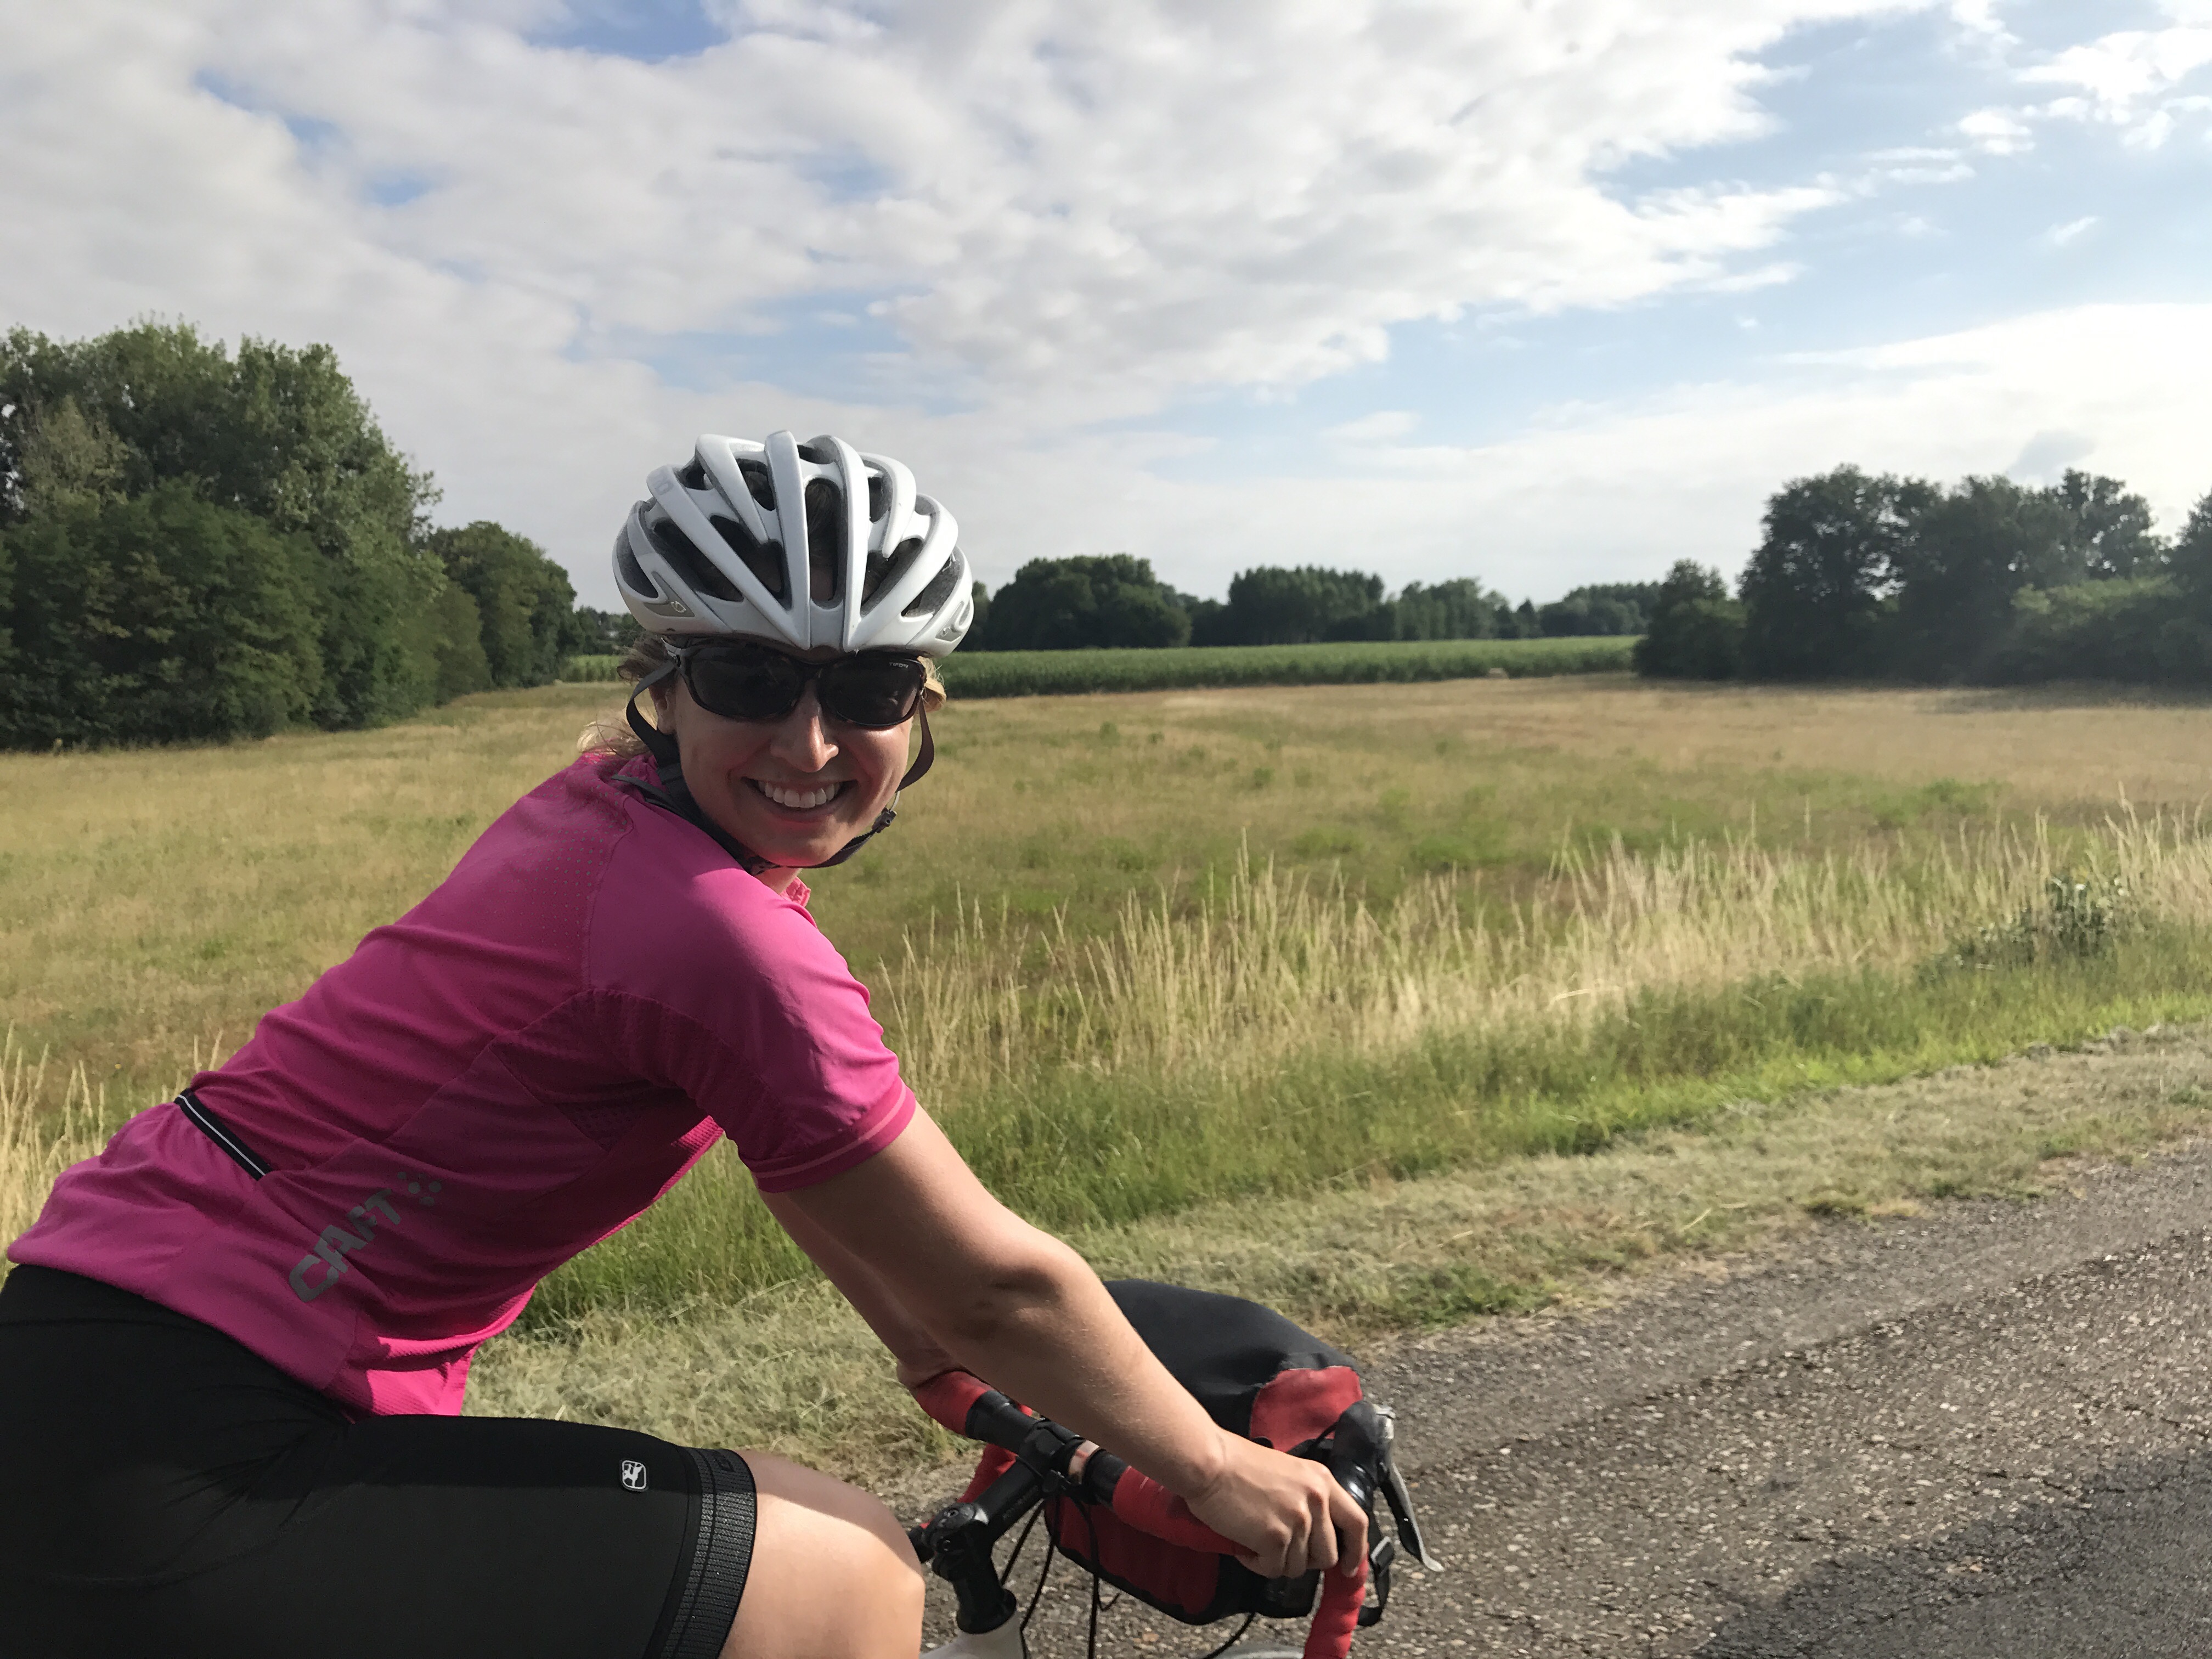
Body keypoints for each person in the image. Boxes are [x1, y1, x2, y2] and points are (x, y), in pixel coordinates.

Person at [0, 430, 1364, 1659]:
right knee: (846, 1578)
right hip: (182, 1449)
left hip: (97, 1370)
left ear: (921, 710)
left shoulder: (609, 821)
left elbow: (812, 1170)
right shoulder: (716, 935)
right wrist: (1212, 1469)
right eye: (749, 676)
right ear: (665, 685)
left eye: (869, 685)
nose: (810, 742)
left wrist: (933, 1369)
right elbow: (995, 1290)